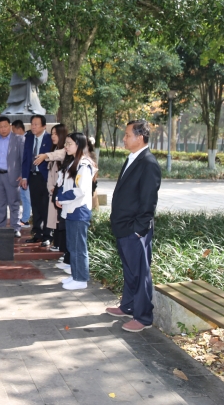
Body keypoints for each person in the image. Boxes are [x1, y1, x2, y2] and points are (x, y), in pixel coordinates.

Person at [106, 120, 162, 332]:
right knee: (129, 271)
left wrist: (139, 229)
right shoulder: (133, 158)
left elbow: (148, 201)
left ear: (140, 137)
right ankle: (128, 306)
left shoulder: (148, 163)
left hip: (134, 229)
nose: (124, 138)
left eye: (127, 135)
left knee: (140, 274)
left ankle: (143, 317)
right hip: (123, 226)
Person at [54, 132, 97, 290]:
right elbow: (62, 184)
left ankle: (81, 279)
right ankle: (75, 275)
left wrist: (61, 198)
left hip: (79, 210)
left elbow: (80, 191)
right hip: (71, 209)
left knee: (79, 247)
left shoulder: (84, 165)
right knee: (72, 246)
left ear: (79, 145)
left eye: (69, 143)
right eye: (65, 143)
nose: (66, 146)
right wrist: (59, 197)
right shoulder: (72, 162)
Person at [34, 124, 69, 256]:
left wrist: (45, 155)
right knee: (56, 220)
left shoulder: (64, 151)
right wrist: (51, 188)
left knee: (61, 220)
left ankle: (63, 249)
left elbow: (59, 155)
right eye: (52, 134)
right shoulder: (55, 149)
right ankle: (58, 245)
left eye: (56, 134)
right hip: (54, 191)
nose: (53, 136)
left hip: (62, 193)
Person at [0, 116, 24, 238]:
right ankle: (1, 226)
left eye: (5, 126)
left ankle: (15, 227)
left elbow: (23, 159)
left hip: (12, 176)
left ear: (10, 126)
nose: (3, 129)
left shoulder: (18, 139)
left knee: (14, 203)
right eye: (0, 127)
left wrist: (22, 175)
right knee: (0, 203)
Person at [21, 115, 53, 243]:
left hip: (45, 177)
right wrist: (24, 177)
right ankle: (37, 233)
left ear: (44, 126)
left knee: (45, 206)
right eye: (32, 124)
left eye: (36, 124)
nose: (33, 126)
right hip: (33, 176)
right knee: (35, 206)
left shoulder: (49, 139)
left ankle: (47, 235)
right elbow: (25, 159)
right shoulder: (29, 138)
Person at [12, 120, 31, 228]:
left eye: (13, 130)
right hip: (21, 174)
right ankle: (24, 218)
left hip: (26, 174)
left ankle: (26, 219)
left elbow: (26, 159)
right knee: (23, 197)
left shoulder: (28, 138)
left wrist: (24, 174)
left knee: (27, 197)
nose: (13, 133)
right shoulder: (17, 140)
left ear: (19, 129)